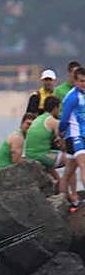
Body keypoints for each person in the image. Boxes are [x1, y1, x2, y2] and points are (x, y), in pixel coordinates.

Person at [58, 66, 85, 211]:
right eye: (81, 81)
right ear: (74, 81)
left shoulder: (83, 95)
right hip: (74, 137)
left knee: (68, 171)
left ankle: (61, 201)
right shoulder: (72, 97)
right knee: (83, 165)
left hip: (82, 136)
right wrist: (60, 133)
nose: (83, 84)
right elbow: (64, 119)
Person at [23, 96, 64, 187]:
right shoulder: (53, 121)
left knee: (51, 167)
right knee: (71, 159)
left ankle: (60, 187)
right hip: (41, 155)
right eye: (59, 108)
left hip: (29, 155)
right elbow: (61, 143)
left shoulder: (37, 119)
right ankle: (67, 190)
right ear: (55, 108)